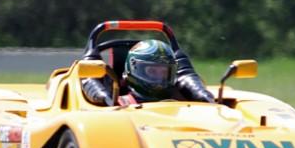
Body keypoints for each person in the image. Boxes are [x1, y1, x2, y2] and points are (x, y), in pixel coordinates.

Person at [82, 39, 215, 106]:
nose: (159, 78)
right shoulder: (118, 104)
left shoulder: (184, 102)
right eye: (152, 71)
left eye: (164, 72)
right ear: (134, 69)